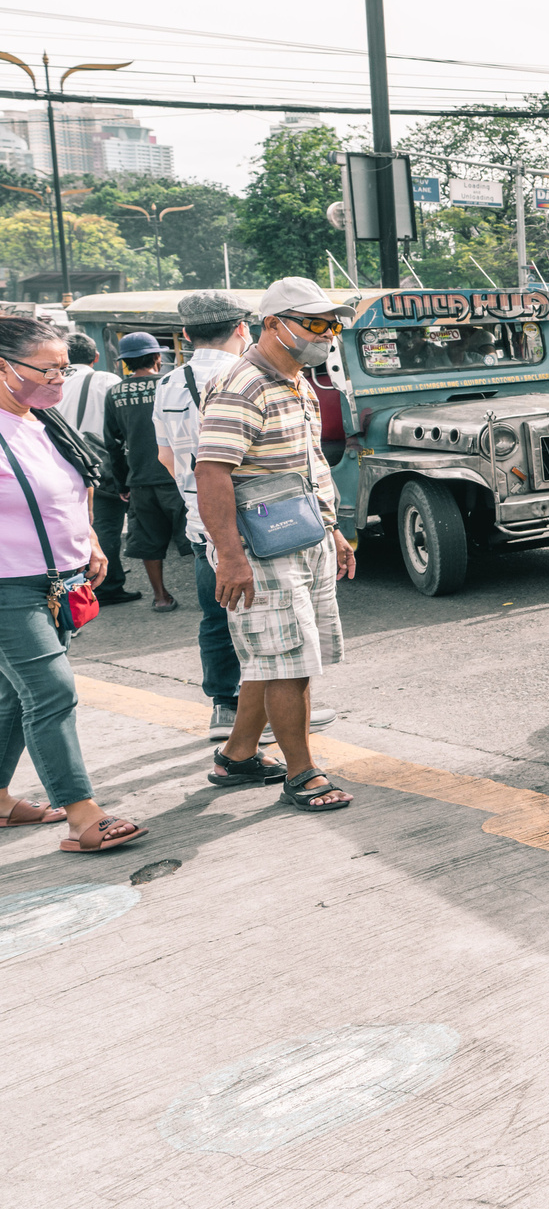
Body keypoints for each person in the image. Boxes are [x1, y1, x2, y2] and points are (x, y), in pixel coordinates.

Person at [193, 278, 358, 813]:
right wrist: (231, 556)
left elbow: (306, 470)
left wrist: (332, 530)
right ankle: (302, 771)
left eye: (331, 324)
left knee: (273, 656)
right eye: (315, 323)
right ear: (273, 324)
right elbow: (212, 473)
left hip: (303, 536)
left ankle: (238, 756)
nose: (326, 334)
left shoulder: (296, 381)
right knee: (290, 661)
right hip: (260, 549)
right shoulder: (243, 384)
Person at [0, 314, 148, 853]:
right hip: (8, 589)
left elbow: (69, 488)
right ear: (3, 368)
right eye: (51, 369)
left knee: (15, 698)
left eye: (66, 368)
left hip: (59, 583)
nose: (62, 379)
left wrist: (89, 539)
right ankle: (82, 816)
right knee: (50, 692)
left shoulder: (42, 419)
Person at [103, 331, 187, 612]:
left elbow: (113, 444)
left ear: (125, 362)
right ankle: (216, 596)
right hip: (179, 477)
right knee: (200, 539)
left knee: (149, 542)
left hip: (139, 480)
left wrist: (122, 485)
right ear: (157, 358)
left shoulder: (115, 393)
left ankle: (161, 597)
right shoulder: (171, 384)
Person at [61, 335, 134, 605]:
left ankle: (79, 580)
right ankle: (109, 584)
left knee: (76, 525)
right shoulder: (107, 380)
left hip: (65, 466)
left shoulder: (55, 382)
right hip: (102, 466)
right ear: (95, 357)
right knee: (107, 527)